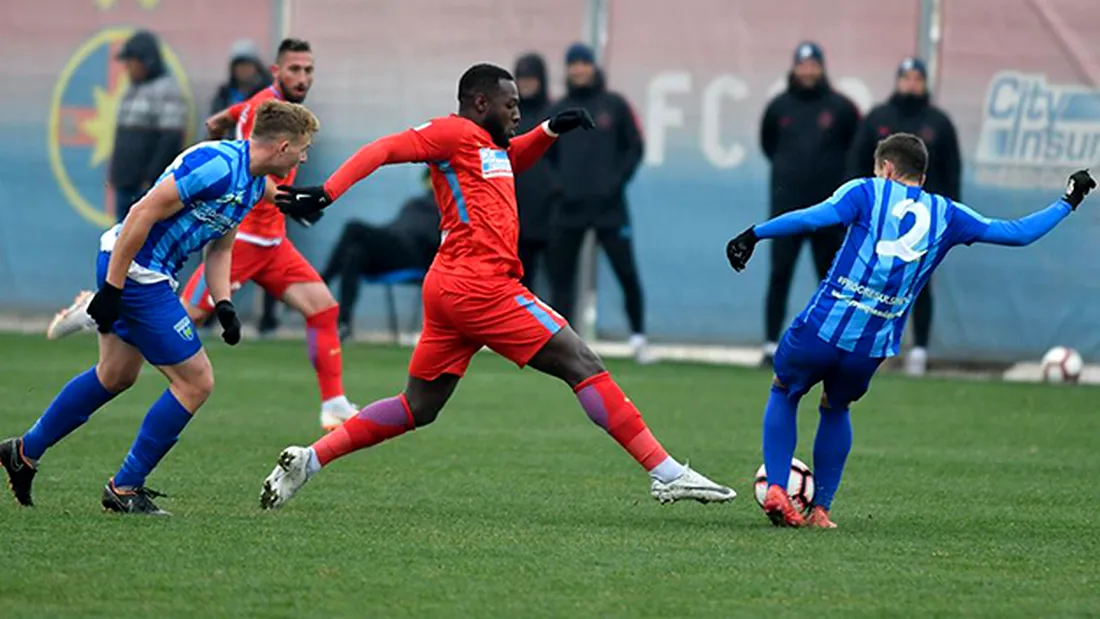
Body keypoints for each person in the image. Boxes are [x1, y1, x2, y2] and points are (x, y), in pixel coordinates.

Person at [261, 63, 735, 510]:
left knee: (419, 406)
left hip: (451, 288)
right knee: (581, 361)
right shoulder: (451, 133)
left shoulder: (490, 147)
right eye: (511, 105)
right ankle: (666, 472)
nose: (517, 113)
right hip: (480, 286)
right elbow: (385, 149)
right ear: (481, 102)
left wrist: (550, 130)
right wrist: (327, 191)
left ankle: (310, 460)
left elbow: (512, 160)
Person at [725, 133, 1095, 528]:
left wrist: (755, 234)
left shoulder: (867, 191)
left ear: (885, 168)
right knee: (836, 406)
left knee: (785, 389)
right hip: (870, 347)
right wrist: (1068, 200)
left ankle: (778, 488)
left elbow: (812, 217)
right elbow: (1016, 233)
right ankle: (822, 510)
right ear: (922, 173)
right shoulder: (948, 214)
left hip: (824, 327)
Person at [1, 100, 320, 515]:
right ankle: (126, 487)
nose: (305, 155)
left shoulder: (254, 184)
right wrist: (114, 288)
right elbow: (141, 212)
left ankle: (23, 452)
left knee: (115, 375)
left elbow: (220, 248)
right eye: (303, 148)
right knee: (196, 382)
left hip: (145, 273)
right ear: (282, 147)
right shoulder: (217, 165)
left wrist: (223, 303)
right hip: (137, 273)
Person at [47, 38, 359, 433]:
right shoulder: (259, 119)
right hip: (241, 237)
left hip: (273, 242)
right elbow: (247, 163)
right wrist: (287, 198)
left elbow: (238, 136)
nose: (303, 77)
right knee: (180, 331)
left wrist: (288, 200)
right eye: (295, 69)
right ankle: (103, 307)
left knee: (323, 308)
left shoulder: (281, 114)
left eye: (309, 70)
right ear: (277, 72)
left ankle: (333, 404)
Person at [848, 57, 962, 376]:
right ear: (897, 80)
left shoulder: (938, 122)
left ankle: (919, 351)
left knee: (919, 283)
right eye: (906, 77)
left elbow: (952, 171)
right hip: (882, 221)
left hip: (924, 222)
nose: (911, 83)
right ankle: (867, 344)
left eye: (917, 78)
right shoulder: (879, 118)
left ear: (924, 82)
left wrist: (950, 217)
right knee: (875, 280)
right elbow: (857, 164)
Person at [543, 43, 650, 364]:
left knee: (626, 272)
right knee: (561, 280)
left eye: (584, 63)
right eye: (573, 64)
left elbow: (634, 147)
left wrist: (616, 181)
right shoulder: (558, 108)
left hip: (610, 208)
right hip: (569, 208)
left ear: (593, 67)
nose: (579, 69)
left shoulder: (614, 105)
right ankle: (563, 348)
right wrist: (559, 185)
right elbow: (543, 153)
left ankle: (639, 340)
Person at [758, 42, 861, 365]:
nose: (808, 71)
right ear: (794, 68)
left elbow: (855, 149)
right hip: (788, 209)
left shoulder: (842, 108)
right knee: (780, 275)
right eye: (802, 65)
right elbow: (768, 144)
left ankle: (833, 344)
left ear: (821, 67)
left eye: (813, 64)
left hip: (829, 211)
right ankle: (770, 345)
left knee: (832, 279)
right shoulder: (779, 107)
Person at [320, 169, 441, 339]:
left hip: (414, 254)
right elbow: (396, 226)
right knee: (354, 255)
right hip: (393, 246)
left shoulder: (449, 208)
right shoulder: (414, 203)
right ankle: (344, 324)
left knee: (353, 227)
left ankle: (322, 281)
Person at [109, 30, 187, 223]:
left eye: (131, 61)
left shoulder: (167, 90)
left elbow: (171, 139)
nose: (127, 67)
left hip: (145, 187)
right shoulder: (132, 89)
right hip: (126, 183)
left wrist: (151, 179)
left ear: (147, 61)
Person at [512, 52, 559, 293]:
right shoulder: (508, 117)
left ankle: (560, 331)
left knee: (558, 283)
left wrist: (556, 187)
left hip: (551, 214)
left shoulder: (554, 114)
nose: (526, 83)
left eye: (531, 78)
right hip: (516, 215)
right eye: (522, 78)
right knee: (519, 283)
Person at [209, 40, 272, 119]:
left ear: (256, 67)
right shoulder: (224, 96)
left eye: (247, 65)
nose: (244, 69)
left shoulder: (267, 94)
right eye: (240, 65)